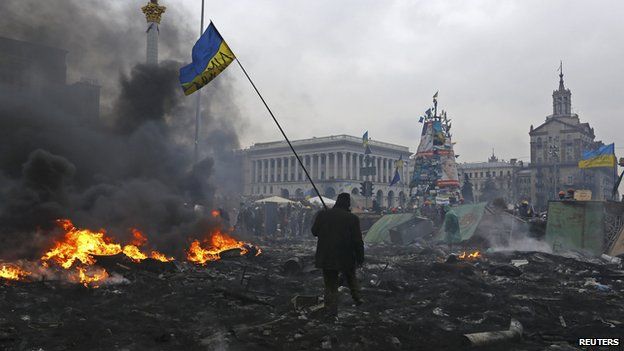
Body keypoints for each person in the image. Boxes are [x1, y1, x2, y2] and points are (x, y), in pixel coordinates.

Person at [311, 193, 364, 317]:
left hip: (327, 255)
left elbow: (314, 232)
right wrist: (360, 257)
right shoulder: (352, 218)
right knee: (351, 276)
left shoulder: (323, 215)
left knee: (330, 284)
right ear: (348, 204)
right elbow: (357, 241)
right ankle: (358, 298)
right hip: (346, 255)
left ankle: (331, 309)